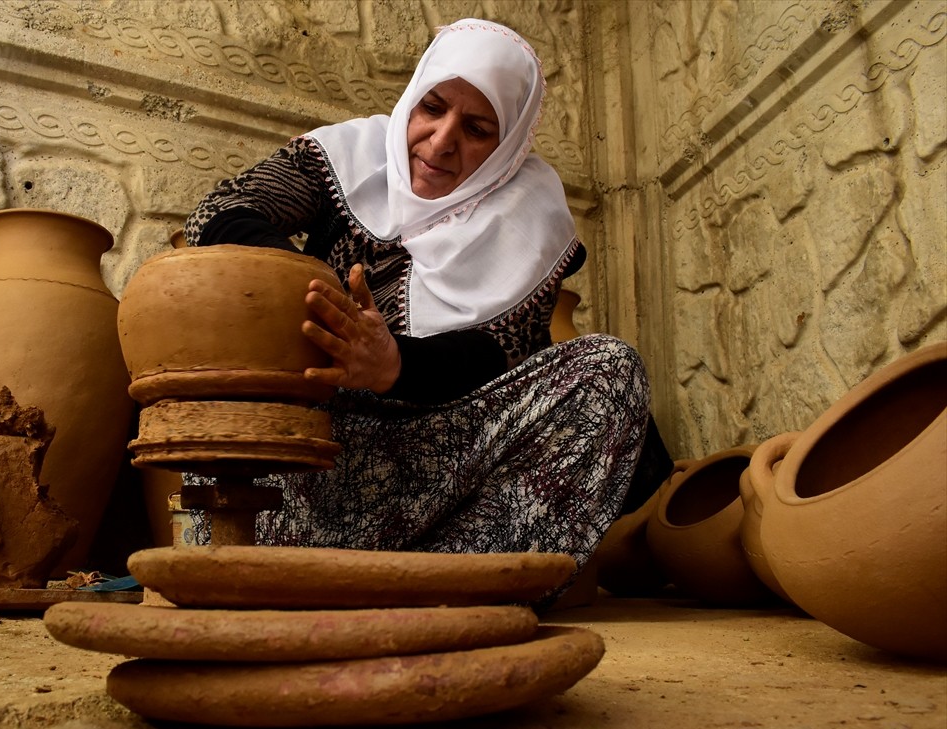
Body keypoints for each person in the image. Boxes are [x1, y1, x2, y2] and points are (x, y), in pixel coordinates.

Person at [182, 19, 657, 604]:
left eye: (478, 129)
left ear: (507, 145)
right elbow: (221, 212)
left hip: (442, 469)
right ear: (413, 96)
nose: (440, 141)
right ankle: (332, 581)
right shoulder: (349, 159)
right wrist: (321, 293)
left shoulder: (529, 217)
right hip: (313, 470)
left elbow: (498, 354)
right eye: (432, 108)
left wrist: (390, 365)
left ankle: (450, 590)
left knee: (608, 370)